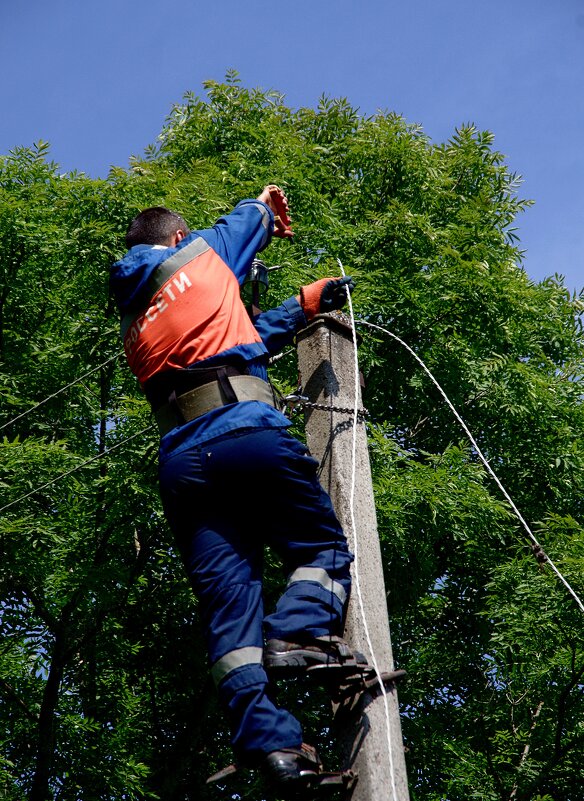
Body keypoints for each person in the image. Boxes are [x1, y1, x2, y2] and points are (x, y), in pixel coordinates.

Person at [110, 185, 361, 791]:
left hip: (184, 464)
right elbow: (256, 213)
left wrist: (300, 306)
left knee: (229, 608)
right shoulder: (202, 251)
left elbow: (231, 343)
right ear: (177, 238)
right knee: (319, 550)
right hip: (245, 433)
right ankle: (299, 632)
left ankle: (269, 747)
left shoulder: (136, 315)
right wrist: (266, 204)